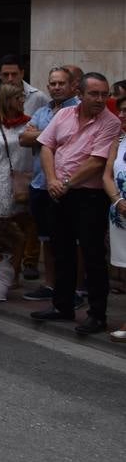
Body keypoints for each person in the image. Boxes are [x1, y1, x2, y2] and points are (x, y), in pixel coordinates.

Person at [31, 73, 119, 334]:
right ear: (80, 94)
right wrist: (51, 180)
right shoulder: (64, 115)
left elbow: (96, 161)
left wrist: (65, 183)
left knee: (92, 255)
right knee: (62, 251)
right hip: (59, 192)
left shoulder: (110, 123)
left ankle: (97, 314)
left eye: (105, 94)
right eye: (94, 94)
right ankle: (62, 305)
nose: (100, 99)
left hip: (88, 196)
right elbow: (46, 146)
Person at [19, 66, 78, 296]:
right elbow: (24, 138)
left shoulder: (77, 110)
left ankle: (73, 290)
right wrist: (50, 134)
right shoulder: (43, 111)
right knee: (46, 238)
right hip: (40, 183)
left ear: (73, 85)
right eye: (52, 83)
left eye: (61, 83)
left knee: (69, 241)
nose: (56, 87)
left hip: (66, 185)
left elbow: (70, 138)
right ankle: (51, 285)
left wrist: (41, 134)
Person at [0, 82, 34, 288]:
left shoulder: (30, 124)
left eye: (23, 97)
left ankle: (16, 270)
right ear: (7, 101)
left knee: (23, 225)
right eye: (17, 98)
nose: (22, 101)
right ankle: (4, 273)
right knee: (0, 227)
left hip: (23, 179)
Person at [103, 96, 126, 342]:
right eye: (121, 111)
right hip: (120, 211)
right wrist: (117, 200)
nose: (122, 115)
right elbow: (107, 174)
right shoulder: (117, 141)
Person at [0, 55, 49, 121]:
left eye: (14, 74)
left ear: (22, 73)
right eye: (6, 74)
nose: (10, 79)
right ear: (0, 75)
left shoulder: (38, 98)